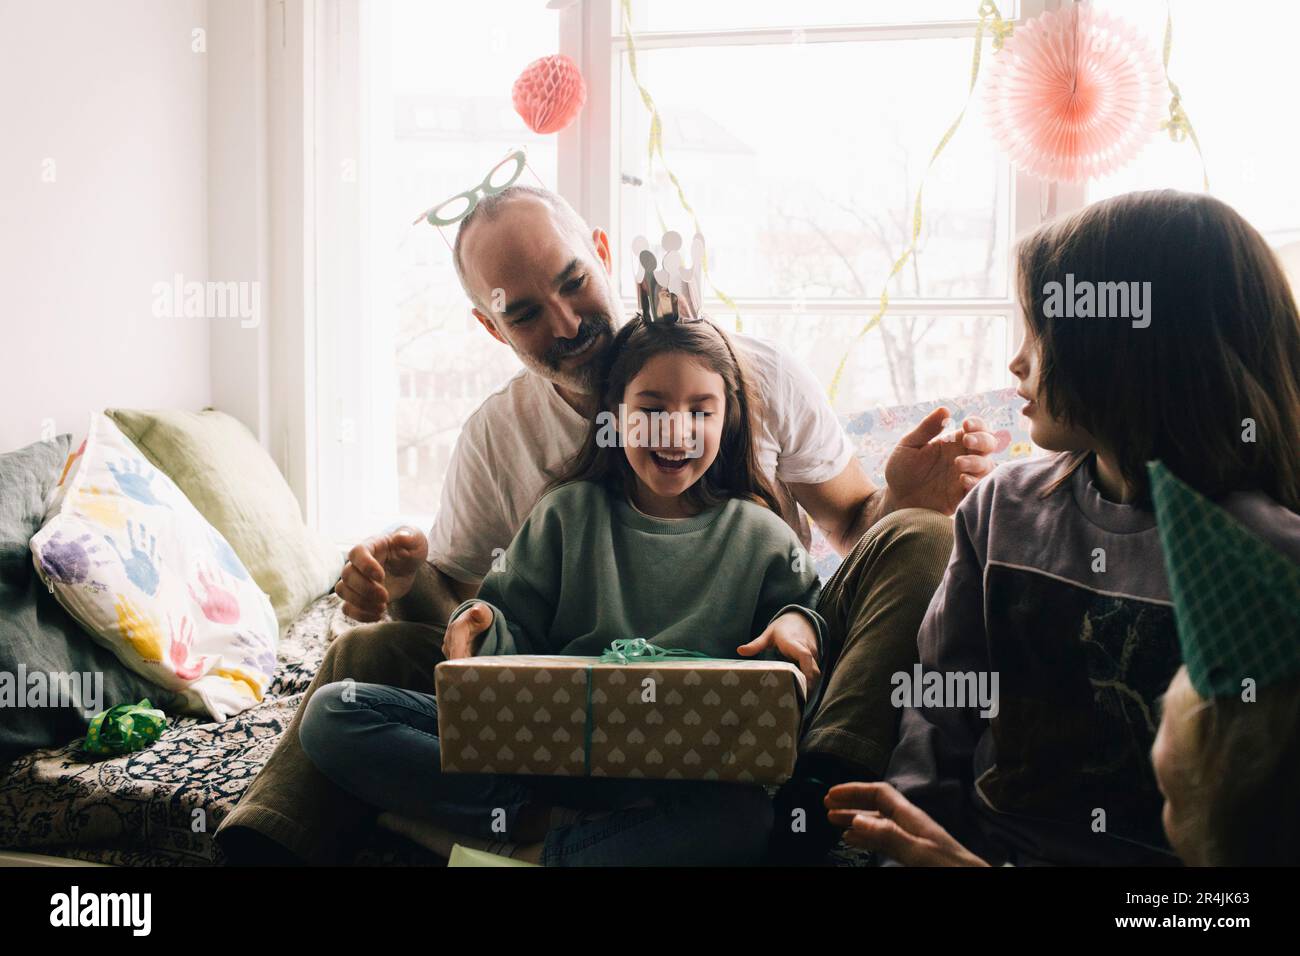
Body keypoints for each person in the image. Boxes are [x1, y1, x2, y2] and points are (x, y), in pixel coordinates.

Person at [216, 184, 997, 865]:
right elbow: (470, 618)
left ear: (602, 253)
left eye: (573, 282)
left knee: (923, 536)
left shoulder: (752, 382)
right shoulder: (514, 451)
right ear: (492, 328)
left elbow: (851, 534)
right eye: (525, 313)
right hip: (565, 720)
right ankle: (276, 839)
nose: (564, 323)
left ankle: (819, 787)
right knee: (361, 657)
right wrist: (409, 584)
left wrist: (899, 498)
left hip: (744, 704)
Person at [855, 190, 1300, 866]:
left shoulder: (1274, 565)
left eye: (1038, 331)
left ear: (1127, 347)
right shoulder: (1000, 510)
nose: (1016, 362)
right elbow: (940, 712)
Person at [297, 314, 828, 865]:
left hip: (674, 779)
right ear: (615, 415)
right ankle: (542, 828)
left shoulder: (763, 535)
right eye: (651, 410)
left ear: (728, 418)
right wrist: (481, 625)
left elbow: (805, 635)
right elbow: (510, 633)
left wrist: (797, 622)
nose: (675, 431)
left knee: (745, 819)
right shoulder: (566, 514)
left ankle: (519, 854)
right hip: (543, 758)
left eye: (700, 411)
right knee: (334, 713)